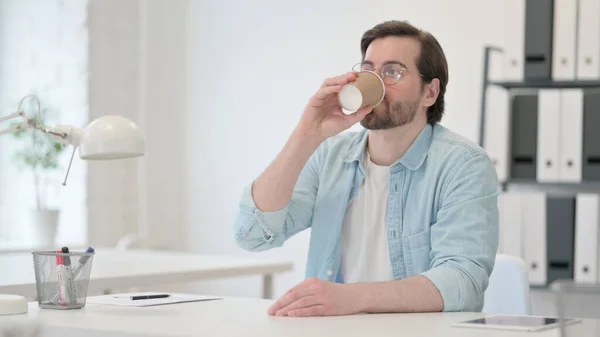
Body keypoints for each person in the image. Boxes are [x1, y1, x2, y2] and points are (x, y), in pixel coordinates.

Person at [232, 20, 499, 317]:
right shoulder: (330, 155)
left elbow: (462, 279)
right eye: (368, 69)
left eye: (392, 71)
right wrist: (307, 133)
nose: (377, 82)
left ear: (430, 93)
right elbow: (252, 234)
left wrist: (352, 297)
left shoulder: (463, 165)